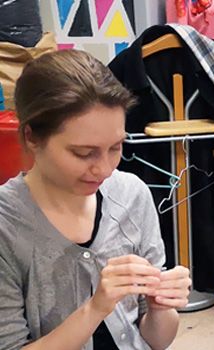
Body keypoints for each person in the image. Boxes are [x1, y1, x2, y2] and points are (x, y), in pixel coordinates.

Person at [0, 50, 192, 349]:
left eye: (116, 147)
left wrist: (160, 306)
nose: (103, 168)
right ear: (31, 137)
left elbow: (156, 339)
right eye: (83, 153)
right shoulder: (7, 225)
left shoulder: (131, 195)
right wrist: (96, 307)